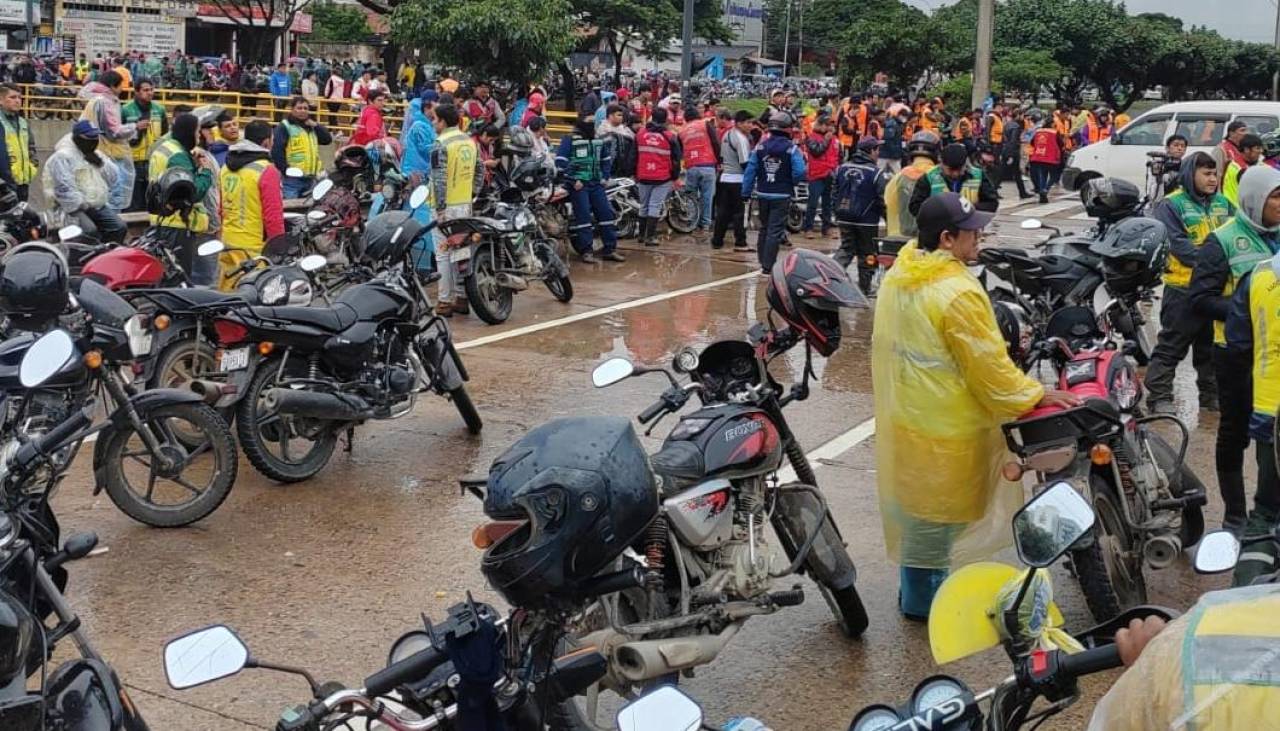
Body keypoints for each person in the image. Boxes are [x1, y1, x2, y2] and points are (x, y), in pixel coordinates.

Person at [873, 192, 1079, 619]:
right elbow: (988, 368)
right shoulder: (955, 291)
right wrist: (1035, 393)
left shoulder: (904, 270)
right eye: (972, 231)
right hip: (948, 429)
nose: (980, 236)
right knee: (937, 521)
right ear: (947, 239)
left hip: (909, 417)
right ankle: (926, 607)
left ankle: (916, 594)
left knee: (919, 517)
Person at [1189, 165, 1280, 532]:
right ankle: (1236, 515)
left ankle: (1269, 508)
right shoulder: (1223, 241)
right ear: (1255, 200)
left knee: (1272, 436)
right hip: (1236, 354)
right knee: (1235, 432)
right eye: (1275, 196)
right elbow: (1199, 300)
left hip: (1273, 356)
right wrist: (1245, 308)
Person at [1144, 153, 1235, 415]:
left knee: (1211, 349)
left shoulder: (1224, 204)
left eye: (1214, 173)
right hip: (1183, 288)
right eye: (1206, 173)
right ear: (1189, 175)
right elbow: (1178, 245)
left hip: (1216, 291)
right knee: (1172, 345)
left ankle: (1210, 395)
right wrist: (1217, 262)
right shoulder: (1172, 205)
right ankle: (1159, 396)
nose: (1212, 179)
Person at [146, 113, 217, 285]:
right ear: (189, 131)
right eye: (197, 131)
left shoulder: (166, 147)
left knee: (166, 276)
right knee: (179, 280)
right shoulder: (178, 155)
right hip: (177, 224)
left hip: (162, 220)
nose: (199, 135)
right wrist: (205, 171)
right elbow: (192, 192)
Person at [431, 105, 482, 317]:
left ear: (443, 121)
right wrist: (473, 194)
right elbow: (480, 170)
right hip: (465, 206)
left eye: (435, 119)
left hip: (445, 209)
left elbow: (439, 179)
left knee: (443, 255)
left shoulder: (439, 144)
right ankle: (462, 298)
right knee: (462, 252)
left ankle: (444, 302)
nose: (433, 123)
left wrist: (441, 208)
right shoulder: (469, 142)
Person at [220, 120, 285, 282]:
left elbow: (220, 207)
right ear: (266, 142)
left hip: (228, 241)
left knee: (227, 295)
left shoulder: (226, 167)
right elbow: (273, 217)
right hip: (254, 247)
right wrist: (279, 249)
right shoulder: (267, 170)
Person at [742, 113, 806, 275]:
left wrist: (746, 192)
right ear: (788, 128)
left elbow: (750, 171)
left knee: (764, 228)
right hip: (782, 195)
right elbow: (799, 171)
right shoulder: (792, 149)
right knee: (775, 230)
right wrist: (791, 182)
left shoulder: (760, 147)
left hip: (762, 193)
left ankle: (763, 260)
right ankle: (768, 266)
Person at [42, 121, 125, 243]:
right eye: (90, 137)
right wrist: (84, 205)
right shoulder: (62, 157)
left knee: (119, 227)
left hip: (96, 205)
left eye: (96, 137)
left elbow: (113, 178)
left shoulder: (94, 154)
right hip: (69, 208)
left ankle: (105, 255)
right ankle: (83, 258)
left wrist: (101, 164)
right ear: (78, 138)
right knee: (88, 231)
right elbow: (64, 189)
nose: (94, 140)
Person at [556, 116, 622, 265]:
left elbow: (606, 160)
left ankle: (609, 249)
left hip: (596, 184)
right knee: (583, 217)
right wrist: (573, 179)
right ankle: (586, 251)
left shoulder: (598, 140)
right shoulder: (570, 139)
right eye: (589, 123)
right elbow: (560, 162)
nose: (592, 125)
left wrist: (605, 177)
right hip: (579, 186)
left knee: (606, 214)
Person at [78, 70, 142, 215]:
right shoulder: (105, 102)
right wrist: (134, 127)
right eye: (121, 85)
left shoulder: (96, 99)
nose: (123, 89)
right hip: (108, 154)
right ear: (113, 86)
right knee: (114, 195)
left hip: (98, 153)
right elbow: (114, 132)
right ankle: (112, 226)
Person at [832, 137, 889, 292]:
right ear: (870, 151)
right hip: (867, 221)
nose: (878, 153)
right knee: (868, 254)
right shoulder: (876, 173)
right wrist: (889, 220)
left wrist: (836, 212)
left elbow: (834, 193)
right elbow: (882, 199)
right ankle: (864, 288)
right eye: (877, 149)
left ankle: (830, 278)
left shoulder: (841, 168)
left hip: (843, 217)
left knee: (846, 249)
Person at [909, 142, 999, 217]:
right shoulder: (929, 177)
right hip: (938, 230)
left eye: (960, 169)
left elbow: (992, 203)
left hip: (969, 230)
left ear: (965, 164)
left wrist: (968, 208)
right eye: (951, 170)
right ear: (941, 163)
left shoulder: (978, 175)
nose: (955, 174)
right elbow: (915, 207)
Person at [634, 107, 682, 247]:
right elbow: (676, 159)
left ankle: (642, 236)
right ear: (666, 119)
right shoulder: (670, 136)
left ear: (651, 117)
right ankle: (650, 237)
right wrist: (675, 176)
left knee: (643, 206)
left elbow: (633, 155)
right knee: (654, 205)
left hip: (643, 175)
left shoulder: (640, 134)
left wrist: (634, 173)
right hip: (662, 177)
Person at [271, 97, 335, 199]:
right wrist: (285, 170)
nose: (303, 111)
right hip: (292, 180)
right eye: (299, 108)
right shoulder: (285, 127)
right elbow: (277, 151)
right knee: (292, 210)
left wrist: (316, 125)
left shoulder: (312, 127)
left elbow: (327, 140)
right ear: (292, 109)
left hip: (312, 178)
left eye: (305, 108)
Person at [122, 78, 168, 212]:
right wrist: (135, 128)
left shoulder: (159, 110)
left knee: (152, 200)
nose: (150, 93)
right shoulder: (125, 110)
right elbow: (118, 136)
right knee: (133, 200)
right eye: (145, 90)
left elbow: (165, 135)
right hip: (132, 161)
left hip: (153, 161)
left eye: (151, 89)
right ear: (136, 92)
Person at [884, 131, 941, 239]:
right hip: (928, 242)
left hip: (898, 238)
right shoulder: (938, 177)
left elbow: (886, 201)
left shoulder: (898, 177)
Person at [712, 110, 754, 253]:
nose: (751, 125)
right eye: (748, 122)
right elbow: (745, 163)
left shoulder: (727, 134)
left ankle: (717, 240)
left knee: (723, 212)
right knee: (740, 213)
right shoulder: (741, 139)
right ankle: (740, 242)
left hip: (724, 178)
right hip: (737, 180)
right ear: (739, 123)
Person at [677, 108, 720, 238]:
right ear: (698, 115)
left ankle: (692, 221)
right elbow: (715, 143)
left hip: (691, 166)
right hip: (708, 165)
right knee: (707, 197)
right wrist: (719, 160)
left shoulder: (681, 131)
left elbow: (679, 150)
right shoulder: (705, 124)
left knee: (691, 196)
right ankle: (705, 224)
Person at [801, 114, 840, 239]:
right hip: (816, 174)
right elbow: (816, 152)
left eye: (831, 125)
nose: (830, 128)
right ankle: (808, 228)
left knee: (827, 203)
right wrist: (826, 140)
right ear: (820, 125)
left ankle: (826, 228)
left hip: (829, 173)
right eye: (827, 125)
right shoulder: (812, 137)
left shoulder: (835, 139)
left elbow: (837, 156)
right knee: (813, 202)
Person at [0, 84, 36, 202]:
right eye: (13, 97)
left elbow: (31, 147)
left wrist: (33, 166)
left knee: (21, 218)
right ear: (1, 100)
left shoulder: (23, 122)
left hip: (23, 183)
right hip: (4, 184)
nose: (17, 101)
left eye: (19, 98)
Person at [1027, 116, 1064, 204]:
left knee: (1042, 175)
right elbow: (1061, 144)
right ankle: (1045, 189)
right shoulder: (1055, 132)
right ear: (1051, 124)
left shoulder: (1038, 131)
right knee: (1054, 176)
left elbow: (1032, 142)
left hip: (1039, 156)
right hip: (1051, 157)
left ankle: (1042, 193)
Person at [1224, 133, 1264, 208]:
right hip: (1237, 210)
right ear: (1246, 150)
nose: (1261, 151)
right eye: (1257, 148)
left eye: (1261, 148)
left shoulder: (1255, 163)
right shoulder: (1240, 168)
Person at [597, 103, 635, 179]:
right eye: (619, 115)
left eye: (622, 115)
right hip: (609, 170)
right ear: (610, 116)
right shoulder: (603, 130)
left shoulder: (625, 130)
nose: (621, 117)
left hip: (623, 171)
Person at [1002, 108, 1032, 200]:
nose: (1023, 117)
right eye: (1022, 115)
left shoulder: (1007, 124)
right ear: (1018, 115)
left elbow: (1006, 138)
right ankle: (1022, 193)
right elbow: (1013, 140)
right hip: (1013, 152)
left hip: (1006, 149)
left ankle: (1022, 193)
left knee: (1012, 173)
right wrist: (1011, 154)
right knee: (1012, 173)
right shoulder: (1016, 126)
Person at [880, 107, 906, 173]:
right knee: (879, 171)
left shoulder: (897, 124)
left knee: (897, 172)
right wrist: (894, 152)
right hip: (886, 153)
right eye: (904, 116)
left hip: (892, 154)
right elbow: (888, 139)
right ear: (900, 115)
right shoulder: (892, 124)